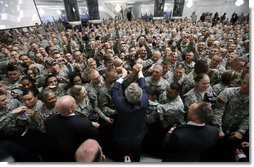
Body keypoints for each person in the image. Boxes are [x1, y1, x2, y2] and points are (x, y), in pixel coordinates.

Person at [111, 64, 148, 162]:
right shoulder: (144, 100)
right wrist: (140, 71)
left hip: (122, 136)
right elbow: (144, 86)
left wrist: (122, 77)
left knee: (121, 155)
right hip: (138, 135)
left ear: (125, 95)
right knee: (136, 153)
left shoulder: (120, 103)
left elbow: (114, 90)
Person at [45, 95, 99, 161]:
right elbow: (94, 136)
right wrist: (91, 125)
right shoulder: (84, 123)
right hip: (77, 155)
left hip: (58, 154)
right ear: (70, 110)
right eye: (74, 103)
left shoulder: (49, 119)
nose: (76, 103)